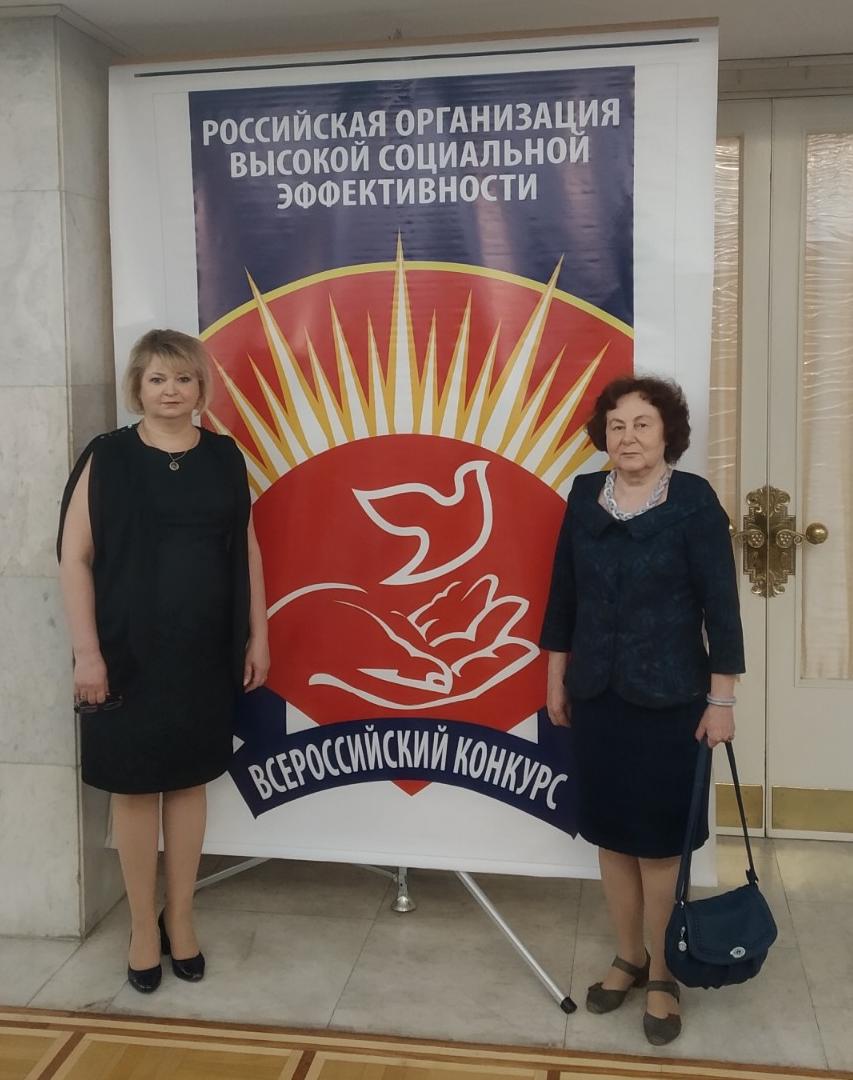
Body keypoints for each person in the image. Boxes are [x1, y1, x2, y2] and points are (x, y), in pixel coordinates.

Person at [58, 329, 269, 994]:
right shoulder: (109, 456)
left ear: (200, 388)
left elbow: (248, 549)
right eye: (157, 379)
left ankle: (179, 918)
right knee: (133, 785)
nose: (171, 391)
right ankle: (141, 931)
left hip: (204, 650)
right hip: (124, 651)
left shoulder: (225, 456)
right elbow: (74, 558)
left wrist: (258, 636)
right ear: (138, 388)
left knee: (187, 782)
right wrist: (87, 654)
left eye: (183, 379)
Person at [540, 375, 745, 1045]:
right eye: (616, 425)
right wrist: (556, 678)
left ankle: (662, 970)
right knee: (610, 836)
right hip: (596, 696)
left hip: (672, 700)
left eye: (642, 424)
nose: (627, 437)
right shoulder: (582, 496)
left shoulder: (693, 501)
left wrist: (721, 699)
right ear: (603, 435)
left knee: (657, 845)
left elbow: (722, 609)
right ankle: (627, 955)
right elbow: (562, 596)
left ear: (667, 435)